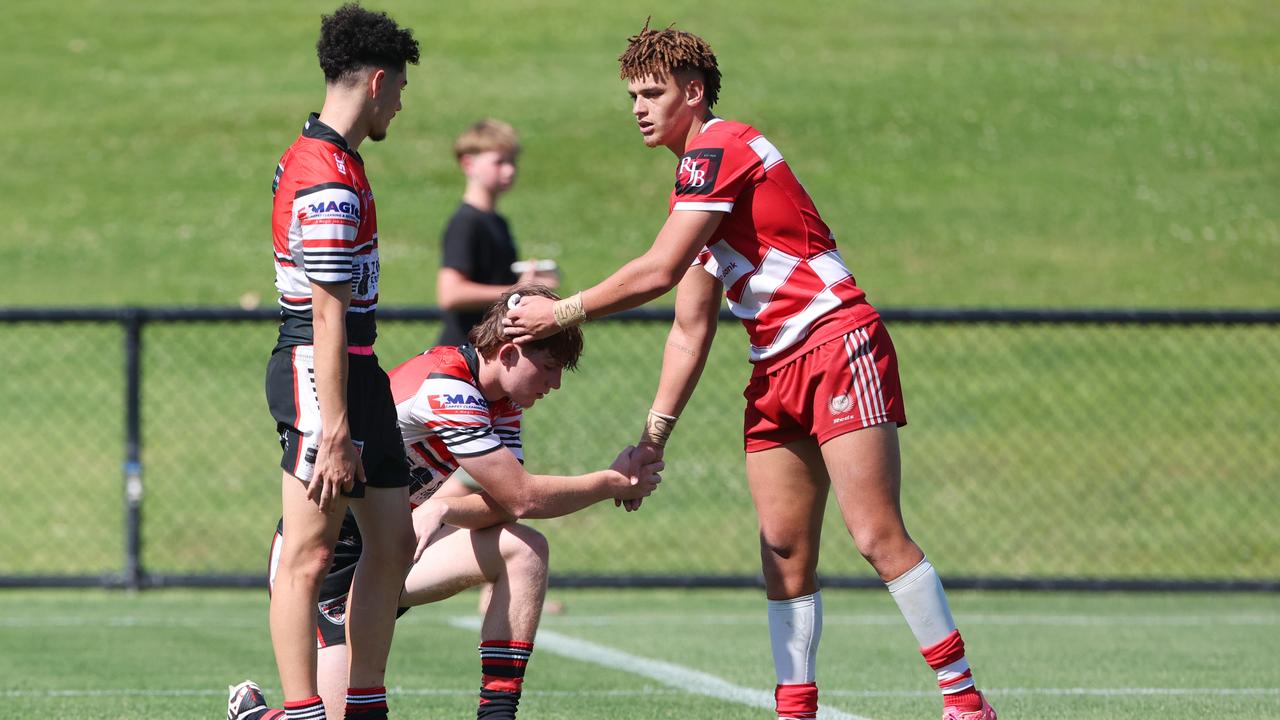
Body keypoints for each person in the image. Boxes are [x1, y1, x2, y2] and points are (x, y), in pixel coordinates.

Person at [502, 22, 998, 720]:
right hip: (775, 367)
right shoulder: (697, 186)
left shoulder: (720, 146)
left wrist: (563, 313)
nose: (639, 108)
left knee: (875, 535)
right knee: (784, 552)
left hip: (834, 341)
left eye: (653, 92)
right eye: (633, 96)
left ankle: (966, 703)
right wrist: (654, 436)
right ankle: (795, 708)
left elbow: (658, 270)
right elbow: (689, 327)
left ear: (694, 93)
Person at [230, 286, 663, 720]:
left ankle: (496, 716)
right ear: (508, 353)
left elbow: (505, 502)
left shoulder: (501, 402)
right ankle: (255, 716)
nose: (556, 382)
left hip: (393, 549)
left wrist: (444, 508)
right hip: (334, 565)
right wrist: (612, 482)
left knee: (524, 549)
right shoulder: (448, 386)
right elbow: (522, 497)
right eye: (549, 367)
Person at [259, 5, 419, 720]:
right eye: (401, 90)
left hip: (358, 367)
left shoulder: (335, 159)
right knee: (310, 553)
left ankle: (364, 703)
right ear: (377, 81)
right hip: (321, 370)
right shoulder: (325, 174)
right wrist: (335, 427)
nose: (401, 104)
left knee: (394, 536)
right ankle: (299, 711)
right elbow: (325, 313)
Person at [436, 119, 559, 346]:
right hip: (461, 351)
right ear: (468, 164)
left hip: (485, 347)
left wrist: (530, 283)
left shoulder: (497, 221)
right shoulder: (466, 222)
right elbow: (451, 293)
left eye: (512, 161)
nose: (510, 170)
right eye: (499, 162)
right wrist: (516, 289)